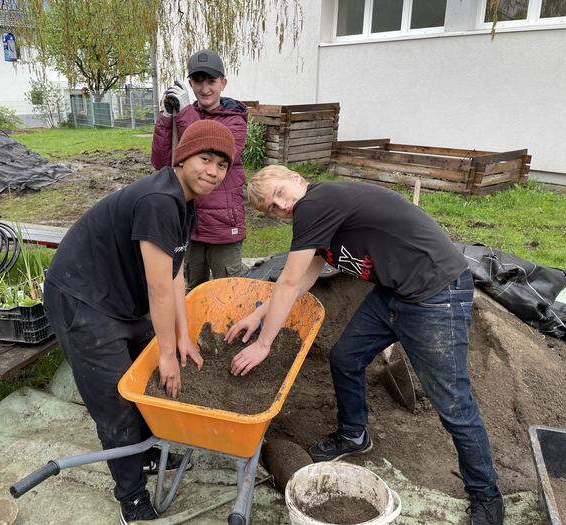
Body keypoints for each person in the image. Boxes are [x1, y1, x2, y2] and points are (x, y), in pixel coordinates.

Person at [225, 165, 505, 525]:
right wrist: (259, 314)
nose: (282, 206)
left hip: (436, 293)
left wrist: (264, 344)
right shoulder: (317, 220)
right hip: (394, 292)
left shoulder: (316, 201)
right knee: (346, 356)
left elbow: (290, 281)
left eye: (280, 193)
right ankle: (353, 434)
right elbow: (301, 281)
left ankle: (486, 495)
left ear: (297, 179)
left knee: (453, 402)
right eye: (272, 208)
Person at [44, 120, 236, 524]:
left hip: (118, 297)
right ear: (182, 157)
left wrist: (183, 335)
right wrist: (167, 351)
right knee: (116, 399)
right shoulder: (158, 200)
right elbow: (158, 290)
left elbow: (176, 273)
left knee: (143, 376)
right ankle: (130, 500)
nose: (213, 171)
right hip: (83, 299)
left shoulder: (184, 203)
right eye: (205, 159)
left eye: (221, 165)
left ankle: (144, 452)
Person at [151, 49, 248, 289]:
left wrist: (185, 113)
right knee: (194, 288)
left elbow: (214, 146)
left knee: (230, 289)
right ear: (190, 83)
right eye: (198, 81)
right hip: (190, 222)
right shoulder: (184, 116)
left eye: (211, 81)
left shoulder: (234, 120)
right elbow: (161, 162)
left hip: (223, 226)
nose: (205, 88)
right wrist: (166, 117)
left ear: (223, 83)